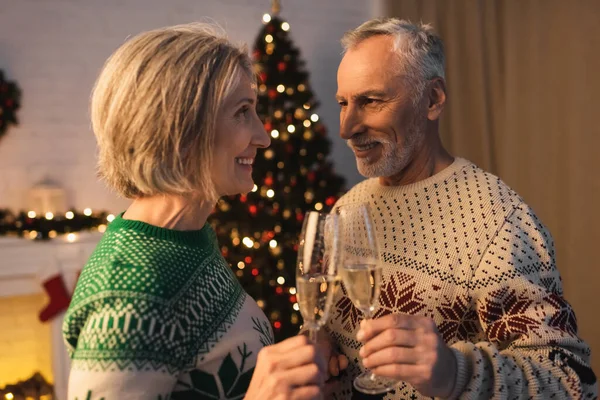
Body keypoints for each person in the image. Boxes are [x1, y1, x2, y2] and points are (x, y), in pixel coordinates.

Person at [325, 18, 598, 399]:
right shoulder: (345, 212)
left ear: (433, 99)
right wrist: (324, 353)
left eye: (371, 101)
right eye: (343, 103)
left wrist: (455, 372)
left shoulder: (498, 222)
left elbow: (572, 383)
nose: (347, 127)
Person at [62, 23, 328, 400]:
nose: (263, 135)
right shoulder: (129, 296)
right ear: (181, 131)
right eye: (242, 112)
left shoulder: (188, 239)